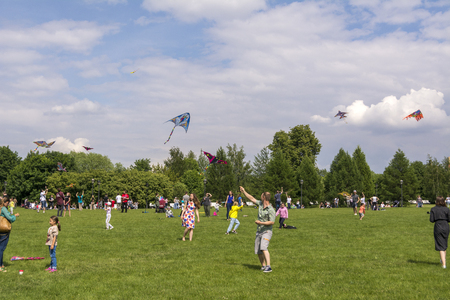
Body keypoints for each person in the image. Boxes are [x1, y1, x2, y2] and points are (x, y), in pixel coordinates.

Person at [240, 186, 275, 273]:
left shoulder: (271, 209)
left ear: (264, 197)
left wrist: (261, 223)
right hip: (259, 231)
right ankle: (263, 266)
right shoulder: (260, 204)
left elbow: (272, 222)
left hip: (267, 231)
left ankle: (268, 266)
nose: (260, 196)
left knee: (263, 247)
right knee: (258, 250)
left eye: (261, 195)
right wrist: (244, 191)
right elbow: (251, 198)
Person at [430, 197, 450, 269]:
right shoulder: (447, 209)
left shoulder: (433, 209)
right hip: (446, 226)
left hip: (438, 226)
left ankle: (444, 264)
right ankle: (443, 259)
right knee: (444, 243)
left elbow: (431, 220)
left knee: (440, 245)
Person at [0, 196, 19, 272]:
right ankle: (0, 266)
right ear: (6, 202)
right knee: (1, 248)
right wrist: (15, 216)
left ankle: (1, 264)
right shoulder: (3, 208)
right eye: (7, 203)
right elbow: (10, 218)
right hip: (3, 230)